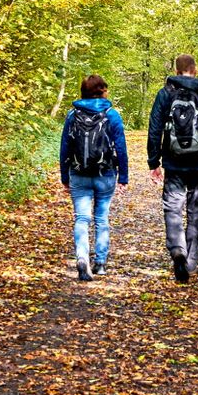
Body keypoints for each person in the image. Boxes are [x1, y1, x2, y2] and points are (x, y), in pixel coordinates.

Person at [147, 54, 198, 282]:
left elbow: (154, 129)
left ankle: (177, 251)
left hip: (173, 162)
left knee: (172, 208)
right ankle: (191, 262)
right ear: (195, 69)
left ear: (176, 70)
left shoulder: (165, 94)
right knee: (195, 212)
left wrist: (154, 162)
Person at [58, 74, 130, 282]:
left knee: (81, 218)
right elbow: (121, 147)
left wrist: (65, 176)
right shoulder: (111, 115)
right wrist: (123, 177)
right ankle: (100, 263)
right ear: (102, 91)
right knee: (101, 218)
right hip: (105, 174)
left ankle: (82, 258)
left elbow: (65, 147)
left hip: (78, 173)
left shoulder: (72, 115)